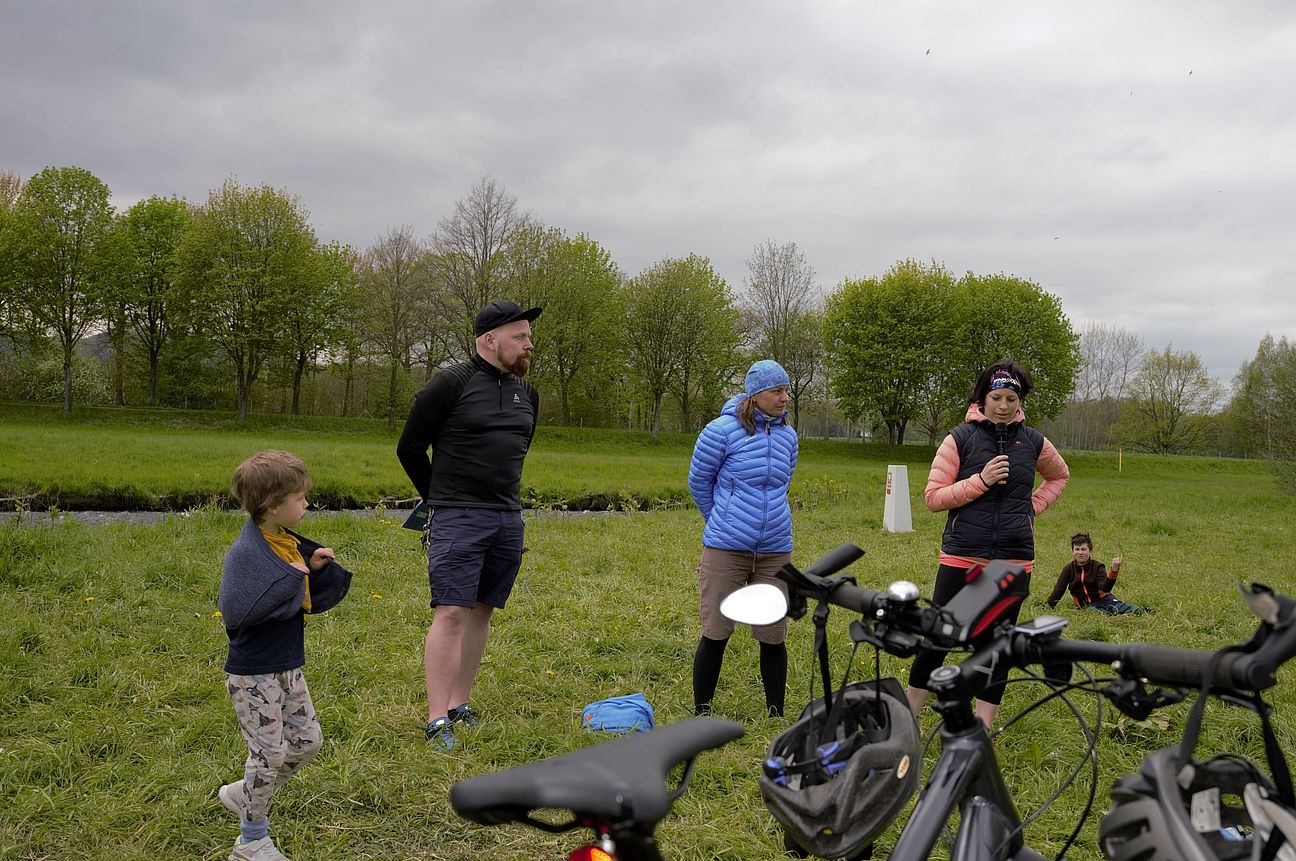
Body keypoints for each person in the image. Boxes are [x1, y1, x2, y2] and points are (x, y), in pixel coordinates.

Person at [396, 299, 541, 750]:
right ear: (489, 340)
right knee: (452, 610)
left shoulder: (528, 394)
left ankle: (461, 702)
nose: (528, 344)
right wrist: (439, 499)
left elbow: (518, 451)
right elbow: (410, 448)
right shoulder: (450, 384)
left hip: (506, 517)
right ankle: (437, 717)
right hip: (458, 517)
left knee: (482, 609)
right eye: (519, 336)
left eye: (528, 336)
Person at [906, 360, 1070, 729]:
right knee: (938, 640)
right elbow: (933, 498)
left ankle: (983, 727)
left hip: (1013, 561)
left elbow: (1060, 475)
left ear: (1019, 401)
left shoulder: (1034, 442)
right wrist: (980, 480)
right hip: (962, 557)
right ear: (983, 398)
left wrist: (1032, 507)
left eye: (1011, 398)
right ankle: (908, 718)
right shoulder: (959, 438)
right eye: (996, 397)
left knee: (996, 649)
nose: (1003, 405)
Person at [217, 450, 352, 861]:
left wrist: (308, 567)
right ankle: (251, 840)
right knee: (269, 754)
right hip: (253, 673)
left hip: (287, 665)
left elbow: (290, 584)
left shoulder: (283, 541)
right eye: (300, 498)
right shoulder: (247, 553)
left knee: (308, 741)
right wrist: (295, 576)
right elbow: (241, 606)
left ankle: (245, 793)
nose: (307, 504)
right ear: (273, 506)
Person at [687, 359, 798, 717]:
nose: (785, 398)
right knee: (716, 632)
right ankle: (702, 713)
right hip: (726, 550)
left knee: (773, 636)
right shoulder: (720, 431)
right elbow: (699, 482)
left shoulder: (789, 437)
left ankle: (775, 713)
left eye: (786, 391)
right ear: (755, 395)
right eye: (777, 391)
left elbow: (782, 485)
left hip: (775, 551)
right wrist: (723, 519)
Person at [1046, 532, 1149, 614]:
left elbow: (1105, 588)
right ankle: (1107, 613)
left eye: (1083, 549)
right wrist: (1048, 606)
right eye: (1077, 549)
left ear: (1090, 551)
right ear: (1073, 551)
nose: (1080, 552)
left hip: (1105, 600)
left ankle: (1145, 611)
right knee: (1096, 614)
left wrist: (1114, 570)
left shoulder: (1098, 566)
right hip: (1085, 606)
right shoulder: (1068, 569)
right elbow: (1059, 590)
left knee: (1126, 609)